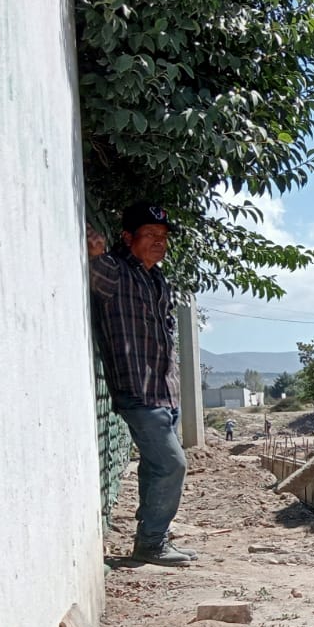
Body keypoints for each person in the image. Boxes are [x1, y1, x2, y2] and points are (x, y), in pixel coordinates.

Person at [88, 202, 195, 567]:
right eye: (149, 235)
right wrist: (95, 251)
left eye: (162, 237)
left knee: (155, 467)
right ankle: (151, 542)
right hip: (137, 392)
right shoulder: (115, 272)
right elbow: (96, 271)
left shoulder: (157, 279)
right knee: (172, 465)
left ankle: (152, 539)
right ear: (128, 237)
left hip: (165, 392)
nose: (158, 243)